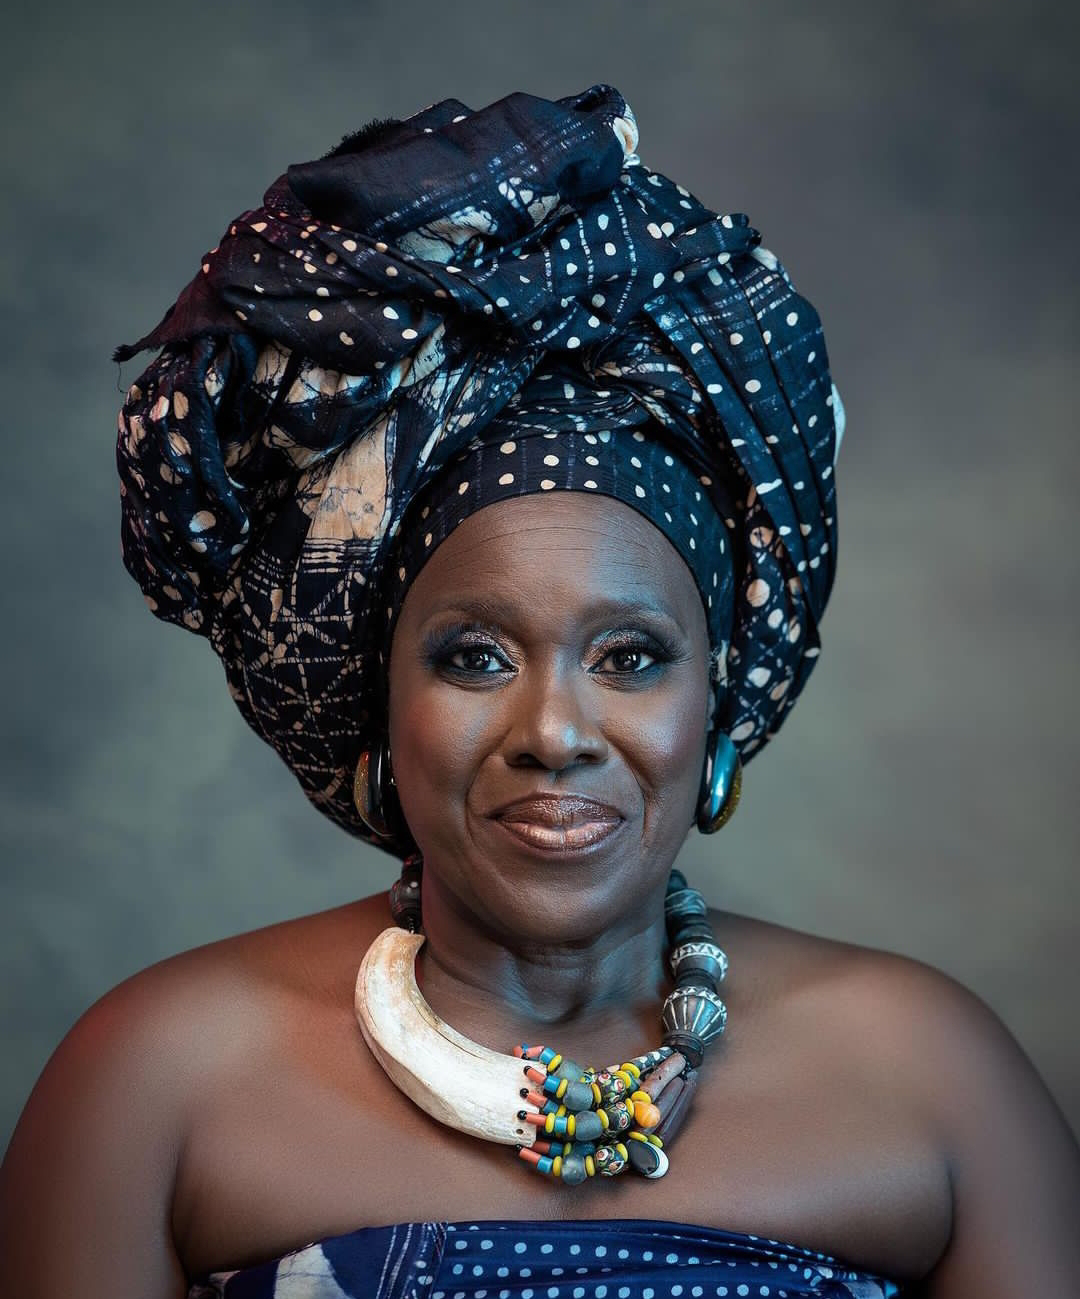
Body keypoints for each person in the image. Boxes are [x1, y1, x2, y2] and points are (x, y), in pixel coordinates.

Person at [1, 85, 1076, 1299]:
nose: (555, 732)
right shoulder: (155, 1084)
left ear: (717, 710)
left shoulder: (934, 1079)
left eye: (631, 657)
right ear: (377, 709)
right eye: (474, 657)